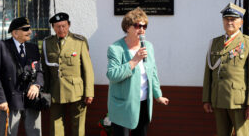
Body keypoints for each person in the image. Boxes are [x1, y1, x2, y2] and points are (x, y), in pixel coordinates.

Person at [107, 7, 169, 136]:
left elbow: (152, 73)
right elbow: (112, 75)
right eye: (137, 26)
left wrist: (158, 95)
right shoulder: (115, 48)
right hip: (123, 105)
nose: (141, 29)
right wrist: (134, 60)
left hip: (143, 102)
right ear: (127, 27)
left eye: (144, 26)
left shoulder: (148, 46)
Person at [202, 3, 249, 136]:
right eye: (226, 19)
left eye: (233, 19)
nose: (229, 22)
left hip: (239, 102)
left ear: (240, 22)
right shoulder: (215, 43)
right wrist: (206, 98)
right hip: (218, 98)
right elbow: (208, 72)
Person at [41, 12, 94, 136]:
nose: (61, 29)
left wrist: (89, 92)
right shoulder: (47, 43)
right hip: (55, 89)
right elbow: (45, 69)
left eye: (64, 26)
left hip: (77, 90)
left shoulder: (79, 41)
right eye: (58, 26)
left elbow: (88, 69)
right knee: (56, 125)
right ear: (53, 27)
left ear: (69, 25)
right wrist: (45, 91)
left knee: (78, 124)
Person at [0, 17, 43, 136]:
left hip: (31, 100)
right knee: (8, 134)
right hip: (9, 101)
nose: (29, 32)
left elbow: (39, 71)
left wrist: (36, 85)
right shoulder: (0, 46)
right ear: (15, 33)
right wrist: (1, 99)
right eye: (25, 29)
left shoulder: (33, 48)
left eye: (29, 29)